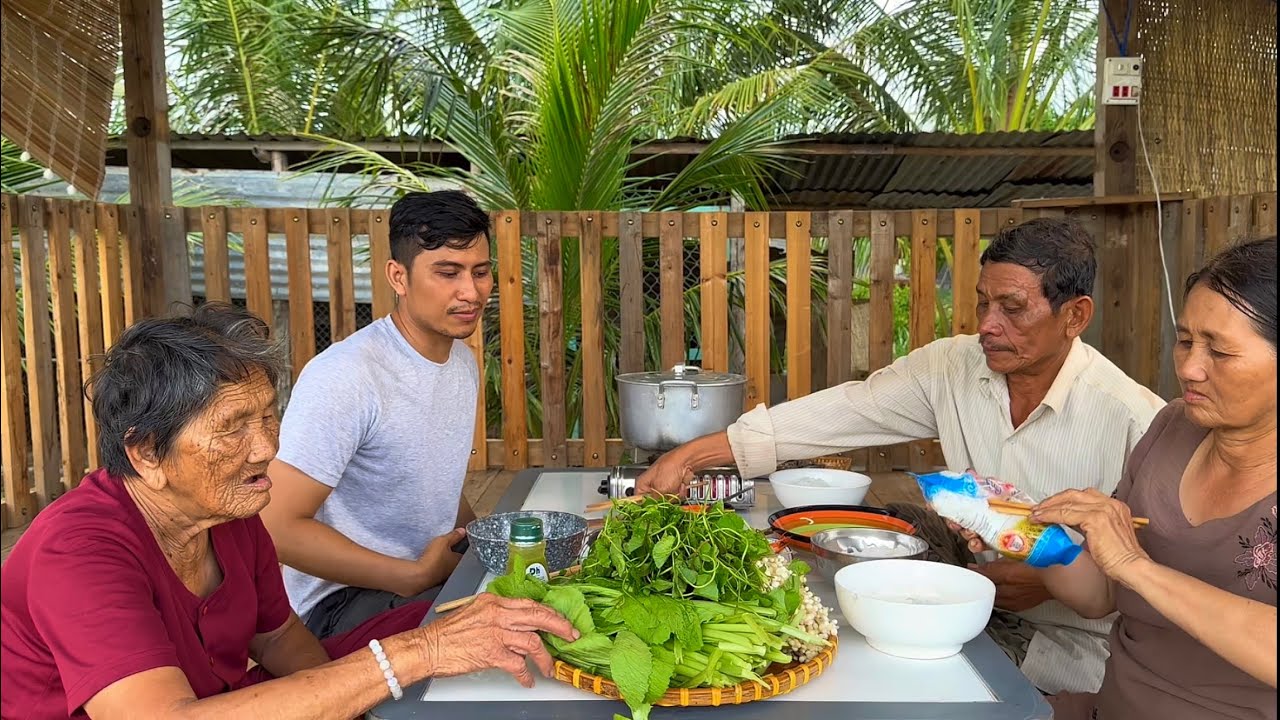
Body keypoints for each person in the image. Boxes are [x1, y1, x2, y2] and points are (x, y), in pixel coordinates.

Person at [636, 217, 1166, 694]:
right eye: (983, 302)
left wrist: (1045, 577)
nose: (986, 324)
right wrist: (696, 455)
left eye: (1012, 308)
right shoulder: (953, 367)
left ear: (1075, 316)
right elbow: (845, 412)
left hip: (1066, 649)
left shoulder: (1134, 421)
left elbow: (1159, 575)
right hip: (968, 600)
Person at [0, 304, 575, 720]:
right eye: (233, 427)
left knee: (451, 618)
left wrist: (416, 653)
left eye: (269, 416)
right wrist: (416, 655)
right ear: (146, 451)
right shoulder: (78, 552)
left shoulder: (230, 515)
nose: (268, 448)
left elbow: (280, 644)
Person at [1028, 237, 1277, 720]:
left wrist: (1135, 565)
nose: (1188, 368)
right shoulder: (1173, 427)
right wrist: (1023, 532)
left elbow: (1127, 570)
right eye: (1185, 341)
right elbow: (1101, 596)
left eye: (1220, 353)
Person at [260, 190, 493, 639]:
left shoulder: (461, 362)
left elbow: (433, 487)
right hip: (335, 605)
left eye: (480, 272)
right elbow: (276, 527)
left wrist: (484, 540)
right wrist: (410, 575)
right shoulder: (346, 376)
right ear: (398, 276)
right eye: (448, 273)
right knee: (500, 630)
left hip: (422, 582)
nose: (471, 292)